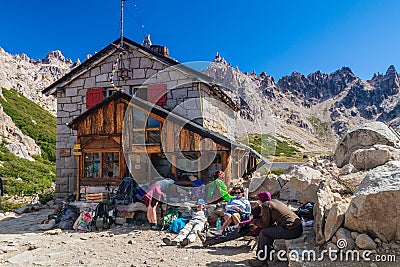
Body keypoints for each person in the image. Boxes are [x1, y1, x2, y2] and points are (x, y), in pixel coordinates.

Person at [248, 191, 303, 267]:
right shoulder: (274, 201)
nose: (257, 200)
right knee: (268, 231)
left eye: (258, 199)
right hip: (297, 227)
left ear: (261, 200)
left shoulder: (265, 205)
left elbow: (265, 224)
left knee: (264, 233)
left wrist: (253, 221)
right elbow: (270, 221)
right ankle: (267, 255)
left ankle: (261, 261)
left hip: (291, 230)